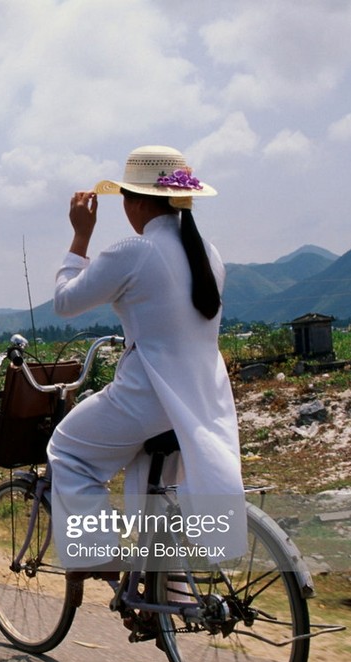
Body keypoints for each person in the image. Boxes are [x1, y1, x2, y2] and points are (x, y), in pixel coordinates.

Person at [46, 145, 246, 571]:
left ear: (135, 201)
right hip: (201, 400)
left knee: (67, 451)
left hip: (149, 396)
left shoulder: (133, 251)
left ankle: (97, 557)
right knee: (162, 498)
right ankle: (167, 597)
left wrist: (81, 235)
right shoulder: (209, 254)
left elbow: (65, 303)